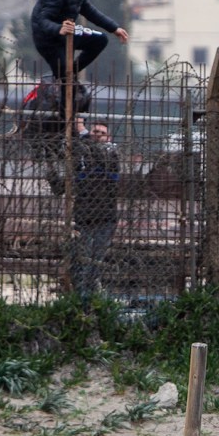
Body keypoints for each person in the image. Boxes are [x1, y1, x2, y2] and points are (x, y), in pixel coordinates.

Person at [30, 0, 129, 108]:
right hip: (48, 39)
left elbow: (89, 11)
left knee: (100, 40)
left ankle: (72, 71)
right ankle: (65, 118)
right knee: (65, 77)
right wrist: (59, 28)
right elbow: (42, 20)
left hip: (67, 34)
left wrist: (114, 28)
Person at [70, 120, 121, 303]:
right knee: (82, 257)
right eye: (95, 131)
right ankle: (79, 296)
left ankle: (92, 296)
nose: (97, 135)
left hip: (105, 216)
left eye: (102, 133)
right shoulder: (82, 157)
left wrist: (83, 133)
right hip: (83, 215)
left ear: (109, 138)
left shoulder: (111, 154)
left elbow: (102, 158)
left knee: (96, 258)